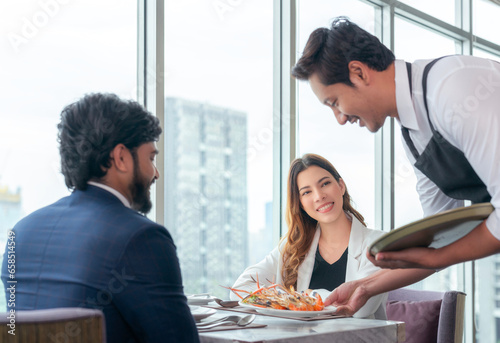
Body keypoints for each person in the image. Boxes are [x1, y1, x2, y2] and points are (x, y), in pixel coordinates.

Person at [291, 16, 500, 314]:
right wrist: (363, 286)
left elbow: (443, 251)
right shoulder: (414, 136)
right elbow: (439, 237)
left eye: (335, 102)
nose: (339, 118)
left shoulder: (452, 90)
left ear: (359, 72)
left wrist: (442, 257)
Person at [0, 93, 199, 343]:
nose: (155, 173)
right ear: (121, 158)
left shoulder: (20, 232)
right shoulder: (142, 238)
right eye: (151, 158)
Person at [231, 153, 389, 318]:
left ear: (341, 186)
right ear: (300, 204)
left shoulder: (378, 244)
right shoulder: (294, 247)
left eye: (325, 184)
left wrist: (295, 300)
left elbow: (360, 307)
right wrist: (289, 300)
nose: (319, 196)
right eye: (306, 192)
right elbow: (241, 287)